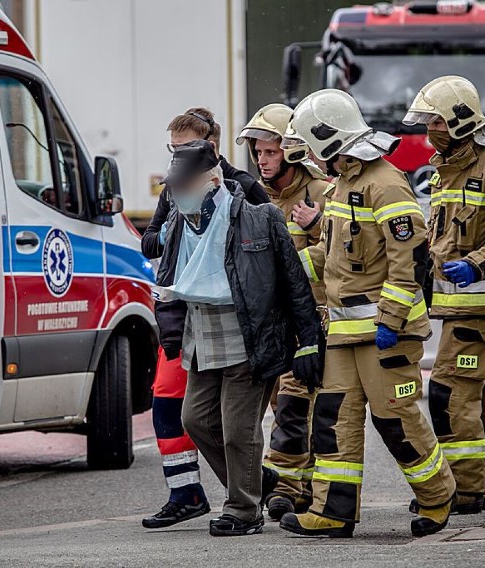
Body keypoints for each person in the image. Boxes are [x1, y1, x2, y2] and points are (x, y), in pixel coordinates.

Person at [279, 89, 456, 539]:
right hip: (343, 331)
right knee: (333, 417)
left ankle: (437, 496)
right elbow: (331, 254)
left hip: (384, 333)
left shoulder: (384, 182)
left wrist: (391, 321)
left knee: (394, 417)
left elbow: (410, 259)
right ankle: (332, 510)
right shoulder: (342, 182)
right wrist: (287, 268)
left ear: (326, 138)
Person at [154, 140, 323, 536]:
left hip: (250, 335)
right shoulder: (179, 223)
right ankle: (257, 482)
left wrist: (309, 340)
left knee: (238, 430)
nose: (176, 193)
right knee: (195, 420)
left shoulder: (259, 218)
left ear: (210, 181)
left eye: (184, 184)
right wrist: (171, 332)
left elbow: (293, 285)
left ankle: (243, 510)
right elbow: (167, 280)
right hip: (201, 337)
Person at [402, 76, 485, 514]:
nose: (428, 131)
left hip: (481, 307)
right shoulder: (446, 172)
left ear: (460, 122)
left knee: (448, 391)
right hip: (456, 307)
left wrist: (477, 263)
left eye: (436, 122)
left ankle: (464, 488)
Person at [140, 108, 270, 529]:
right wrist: (168, 234)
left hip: (240, 324)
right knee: (181, 413)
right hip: (187, 320)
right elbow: (152, 247)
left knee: (238, 426)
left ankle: (244, 502)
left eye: (184, 149)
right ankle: (198, 492)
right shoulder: (176, 191)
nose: (176, 158)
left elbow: (269, 257)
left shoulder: (244, 191)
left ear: (210, 146)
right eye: (172, 150)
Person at [235, 103, 330, 520]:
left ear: (292, 150)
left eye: (269, 151)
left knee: (294, 405)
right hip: (270, 326)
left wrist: (315, 227)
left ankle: (286, 488)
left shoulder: (324, 195)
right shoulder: (254, 199)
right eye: (257, 152)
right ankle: (305, 485)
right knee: (283, 406)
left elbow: (348, 256)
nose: (262, 159)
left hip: (310, 322)